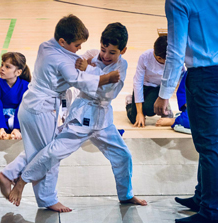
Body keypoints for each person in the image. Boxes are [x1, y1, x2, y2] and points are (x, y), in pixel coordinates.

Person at [8, 22, 147, 209]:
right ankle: (21, 181)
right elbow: (70, 75)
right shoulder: (89, 55)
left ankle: (126, 194)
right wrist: (86, 72)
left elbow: (108, 93)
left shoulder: (122, 66)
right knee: (53, 151)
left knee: (123, 156)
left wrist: (87, 69)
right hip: (81, 118)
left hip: (104, 121)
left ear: (123, 50)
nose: (105, 56)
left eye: (112, 53)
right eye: (103, 49)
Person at [154, 0, 218, 223]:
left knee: (209, 145)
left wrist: (164, 94)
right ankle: (202, 197)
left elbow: (175, 49)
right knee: (211, 140)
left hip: (206, 76)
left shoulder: (177, 1)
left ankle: (210, 210)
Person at [156, 71, 218, 137]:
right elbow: (183, 92)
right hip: (194, 108)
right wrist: (189, 105)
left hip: (215, 109)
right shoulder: (191, 72)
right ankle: (174, 120)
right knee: (187, 120)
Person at [126, 36, 174, 127]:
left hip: (159, 88)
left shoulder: (173, 61)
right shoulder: (145, 57)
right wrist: (139, 113)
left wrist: (165, 97)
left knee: (150, 110)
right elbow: (138, 83)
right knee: (134, 119)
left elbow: (181, 80)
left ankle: (166, 107)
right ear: (159, 58)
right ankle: (129, 102)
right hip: (145, 86)